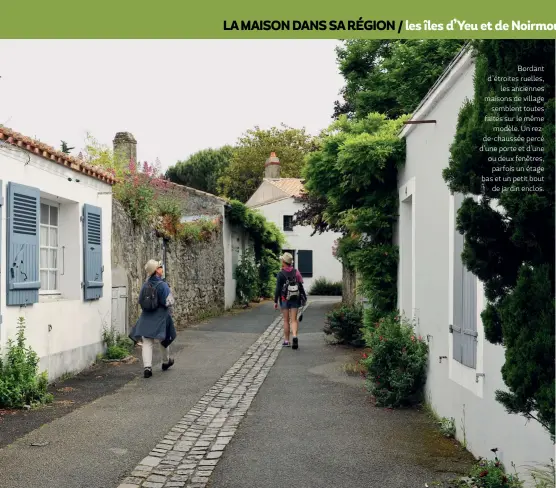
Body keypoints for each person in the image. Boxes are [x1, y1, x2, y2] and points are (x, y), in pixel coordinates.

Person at [130, 259, 176, 378]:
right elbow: (169, 302)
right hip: (161, 315)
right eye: (160, 267)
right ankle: (165, 362)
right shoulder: (162, 285)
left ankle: (147, 368)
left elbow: (140, 300)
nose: (162, 268)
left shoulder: (145, 284)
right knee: (163, 339)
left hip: (146, 316)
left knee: (147, 342)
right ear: (156, 271)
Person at [274, 252, 307, 350]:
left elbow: (278, 289)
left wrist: (275, 301)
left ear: (283, 262)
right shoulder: (296, 272)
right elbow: (301, 284)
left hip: (284, 299)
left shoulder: (280, 274)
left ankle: (286, 341)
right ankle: (295, 336)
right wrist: (303, 297)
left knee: (285, 320)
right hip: (295, 298)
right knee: (293, 320)